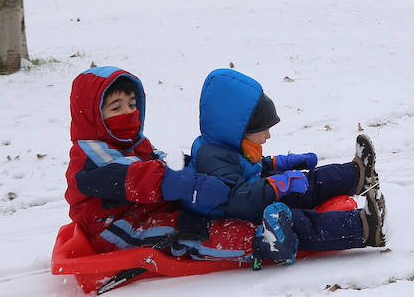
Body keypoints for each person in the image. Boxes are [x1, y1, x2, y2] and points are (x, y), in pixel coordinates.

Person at [65, 66, 297, 265]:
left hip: (145, 211)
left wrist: (190, 165)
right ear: (93, 116)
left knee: (193, 212)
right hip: (114, 229)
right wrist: (188, 184)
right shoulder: (90, 157)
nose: (128, 113)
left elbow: (158, 160)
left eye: (132, 105)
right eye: (116, 108)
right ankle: (260, 242)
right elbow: (135, 176)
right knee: (186, 230)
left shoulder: (131, 143)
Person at [183, 68, 386, 253]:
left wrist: (283, 164)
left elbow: (251, 167)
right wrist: (278, 184)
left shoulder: (226, 144)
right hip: (240, 217)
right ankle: (365, 227)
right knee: (299, 221)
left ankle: (357, 176)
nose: (268, 136)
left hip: (257, 195)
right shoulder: (210, 158)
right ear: (240, 130)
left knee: (306, 183)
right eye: (264, 130)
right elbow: (236, 201)